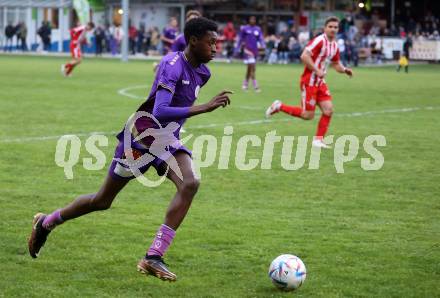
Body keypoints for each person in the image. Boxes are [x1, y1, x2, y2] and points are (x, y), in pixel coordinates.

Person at [28, 17, 233, 282]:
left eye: (217, 42)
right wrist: (204, 107)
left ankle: (153, 256)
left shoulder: (203, 72)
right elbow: (159, 110)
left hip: (165, 138)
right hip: (142, 136)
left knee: (190, 183)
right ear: (193, 41)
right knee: (102, 200)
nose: (216, 48)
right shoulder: (172, 66)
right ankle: (46, 222)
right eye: (211, 42)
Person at [265, 16, 353, 149]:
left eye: (335, 27)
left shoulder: (334, 45)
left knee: (328, 110)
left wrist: (345, 70)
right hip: (309, 82)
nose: (333, 29)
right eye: (330, 27)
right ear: (325, 28)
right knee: (307, 115)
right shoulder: (319, 41)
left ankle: (318, 140)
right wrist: (317, 70)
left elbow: (336, 64)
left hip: (320, 82)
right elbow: (304, 56)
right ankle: (279, 106)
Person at [235, 16, 265, 92]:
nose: (252, 20)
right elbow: (240, 39)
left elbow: (261, 38)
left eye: (254, 19)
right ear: (249, 20)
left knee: (249, 69)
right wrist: (237, 48)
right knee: (252, 68)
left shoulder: (258, 29)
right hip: (247, 51)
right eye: (251, 19)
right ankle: (256, 86)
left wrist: (263, 44)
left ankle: (245, 84)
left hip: (255, 51)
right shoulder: (244, 28)